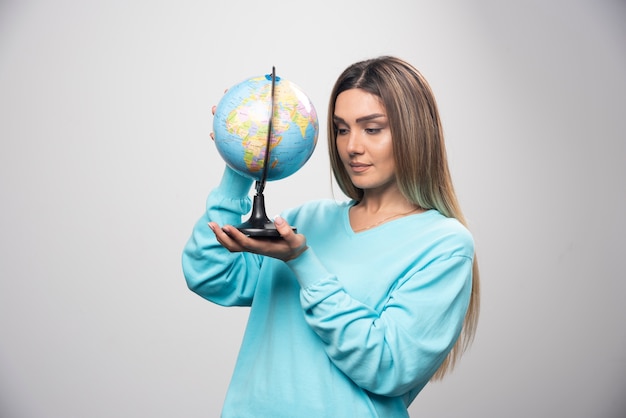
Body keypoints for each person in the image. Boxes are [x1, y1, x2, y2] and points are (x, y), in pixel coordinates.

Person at [182, 56, 480, 418]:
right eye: (342, 129)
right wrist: (238, 164)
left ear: (413, 132)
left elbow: (386, 367)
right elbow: (211, 276)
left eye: (372, 129)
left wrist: (302, 261)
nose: (352, 146)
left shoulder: (444, 245)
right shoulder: (307, 219)